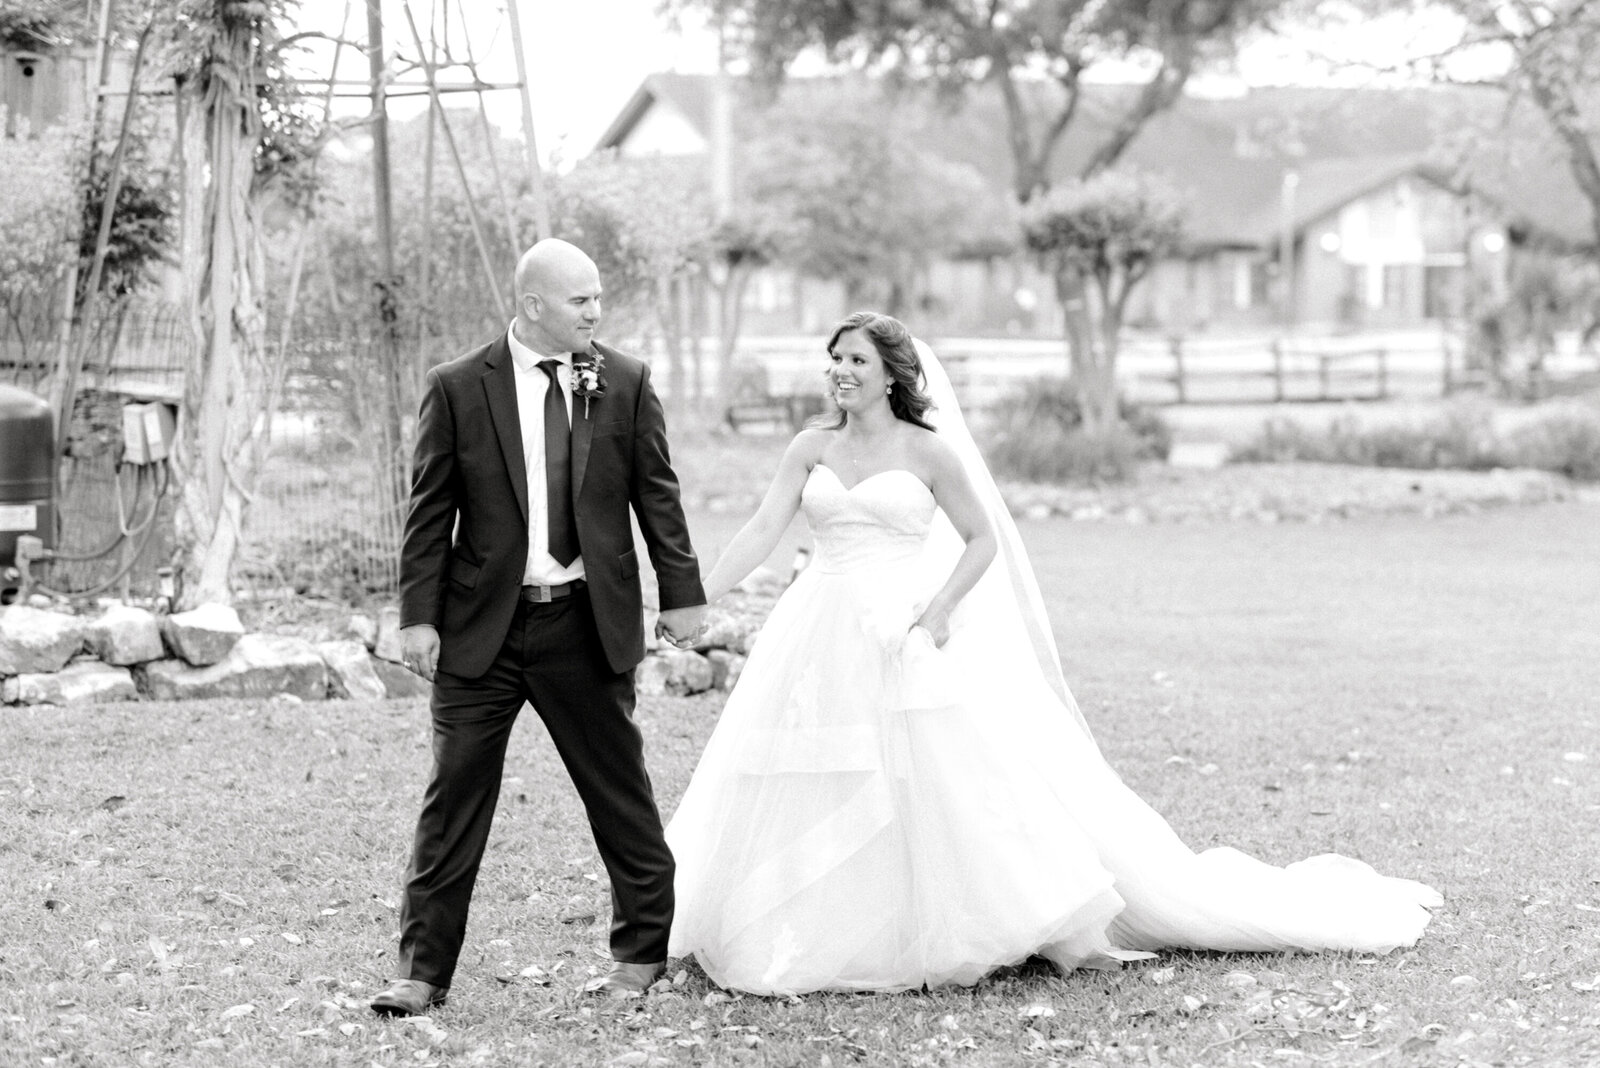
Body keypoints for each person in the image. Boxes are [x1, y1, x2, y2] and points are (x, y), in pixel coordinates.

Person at [665, 311, 1441, 995]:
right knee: (808, 770)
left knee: (934, 777)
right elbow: (765, 529)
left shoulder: (928, 451)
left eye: (857, 360)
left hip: (901, 625)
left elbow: (981, 540)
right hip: (818, 626)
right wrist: (694, 598)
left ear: (892, 374)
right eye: (834, 357)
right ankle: (808, 923)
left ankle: (963, 921)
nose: (840, 370)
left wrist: (934, 616)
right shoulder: (810, 446)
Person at [370, 239, 709, 1015]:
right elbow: (430, 513)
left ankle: (642, 951)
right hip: (479, 632)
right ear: (532, 306)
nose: (597, 311)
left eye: (597, 298)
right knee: (452, 800)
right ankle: (421, 973)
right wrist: (418, 617)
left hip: (586, 625)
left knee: (618, 792)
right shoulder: (457, 386)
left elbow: (658, 494)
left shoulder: (622, 380)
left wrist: (681, 592)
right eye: (581, 300)